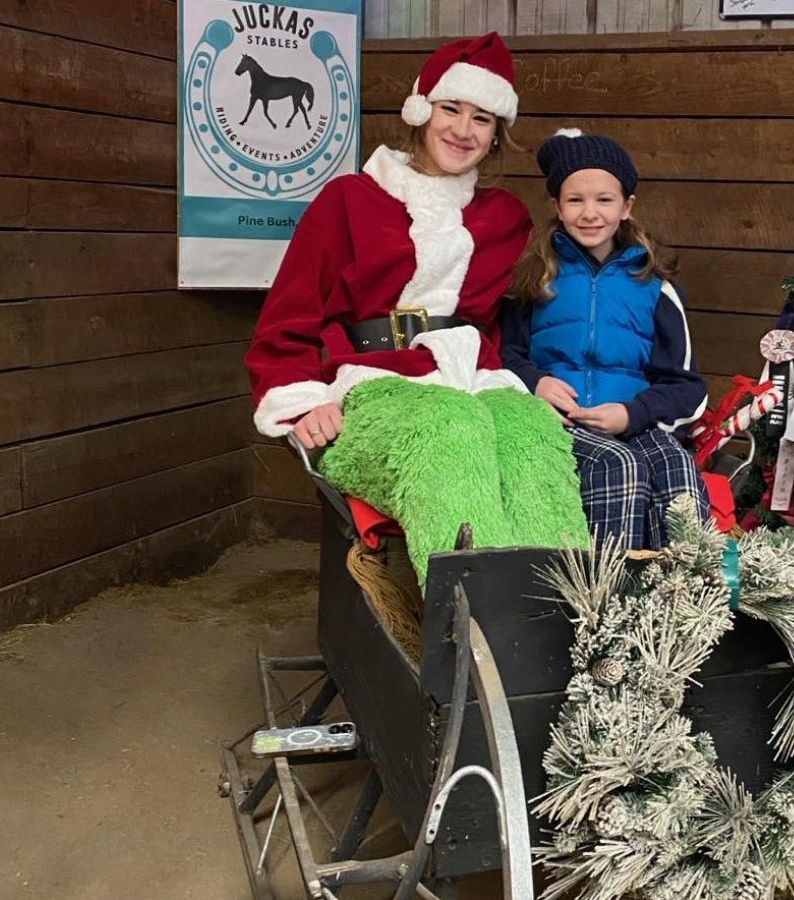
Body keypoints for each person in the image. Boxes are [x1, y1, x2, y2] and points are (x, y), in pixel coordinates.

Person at [244, 33, 588, 581]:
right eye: (451, 109)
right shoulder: (349, 200)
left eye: (481, 118)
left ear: (497, 134)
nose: (462, 129)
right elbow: (288, 317)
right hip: (362, 389)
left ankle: (566, 618)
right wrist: (303, 401)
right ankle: (477, 629)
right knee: (446, 426)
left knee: (530, 429)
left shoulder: (504, 218)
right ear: (421, 111)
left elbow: (537, 299)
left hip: (467, 378)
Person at [501, 129, 710, 550]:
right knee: (620, 466)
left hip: (631, 419)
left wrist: (632, 414)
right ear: (557, 207)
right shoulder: (535, 277)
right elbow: (505, 355)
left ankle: (686, 601)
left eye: (604, 200)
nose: (589, 213)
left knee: (678, 473)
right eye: (575, 200)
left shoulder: (654, 287)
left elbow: (686, 387)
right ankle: (604, 598)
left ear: (627, 207)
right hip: (562, 423)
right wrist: (535, 384)